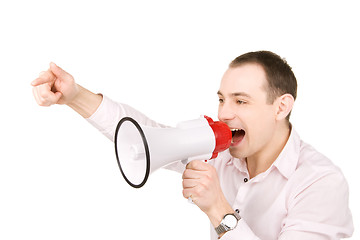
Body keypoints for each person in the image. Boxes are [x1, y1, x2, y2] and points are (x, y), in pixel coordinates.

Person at [31, 51, 354, 239]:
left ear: (281, 107)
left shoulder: (320, 182)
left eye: (241, 101)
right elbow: (144, 135)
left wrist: (218, 210)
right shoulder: (221, 154)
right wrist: (74, 96)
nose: (225, 113)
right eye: (222, 99)